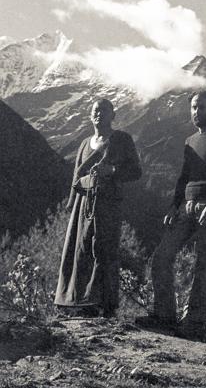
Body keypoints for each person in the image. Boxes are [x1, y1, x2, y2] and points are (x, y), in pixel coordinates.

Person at [136, 91, 206, 339]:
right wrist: (173, 205)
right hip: (186, 206)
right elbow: (183, 176)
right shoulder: (190, 140)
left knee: (204, 263)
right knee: (161, 256)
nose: (195, 112)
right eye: (192, 107)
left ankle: (196, 321)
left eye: (201, 107)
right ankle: (165, 315)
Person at [55, 99, 142, 318]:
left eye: (104, 111)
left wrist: (112, 170)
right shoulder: (85, 143)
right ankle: (80, 302)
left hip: (108, 203)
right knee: (80, 250)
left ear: (113, 115)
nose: (99, 114)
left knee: (104, 250)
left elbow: (135, 171)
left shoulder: (122, 139)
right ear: (90, 115)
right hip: (83, 204)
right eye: (95, 111)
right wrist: (71, 202)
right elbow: (77, 174)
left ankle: (105, 304)